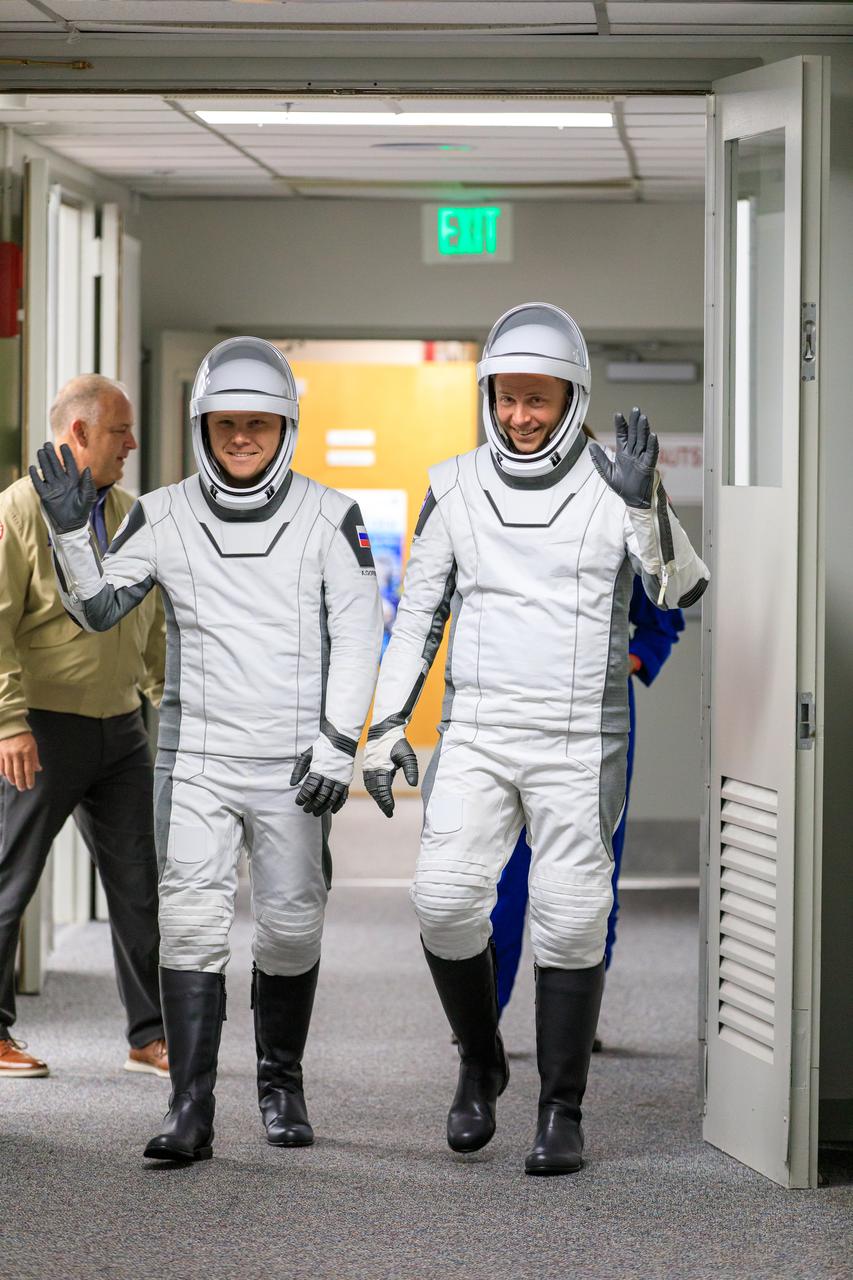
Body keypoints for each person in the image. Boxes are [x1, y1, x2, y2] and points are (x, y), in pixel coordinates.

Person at [362, 302, 709, 1176]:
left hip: (577, 736)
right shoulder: (452, 485)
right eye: (507, 398)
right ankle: (480, 1062)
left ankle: (561, 1109)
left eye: (539, 400)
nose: (520, 416)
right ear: (487, 395)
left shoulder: (617, 481)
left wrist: (642, 509)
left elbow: (682, 591)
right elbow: (416, 622)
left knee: (571, 919)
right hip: (476, 730)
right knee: (443, 901)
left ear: (571, 396)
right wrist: (385, 726)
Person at [32, 337, 383, 1162]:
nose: (241, 439)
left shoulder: (332, 516)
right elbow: (97, 610)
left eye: (257, 425)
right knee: (189, 926)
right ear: (204, 426)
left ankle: (279, 1082)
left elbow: (359, 632)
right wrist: (70, 531)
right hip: (198, 759)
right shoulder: (163, 513)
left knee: (292, 928)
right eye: (227, 424)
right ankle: (189, 1108)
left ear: (285, 427)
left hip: (297, 763)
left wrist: (337, 746)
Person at [0, 374, 167, 1080]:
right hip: (41, 728)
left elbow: (148, 623)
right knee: (10, 881)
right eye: (119, 430)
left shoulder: (129, 514)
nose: (131, 443)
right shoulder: (18, 511)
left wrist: (165, 702)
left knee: (139, 884)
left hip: (121, 728)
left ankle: (151, 1035)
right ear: (79, 433)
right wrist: (8, 721)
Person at [491, 573, 685, 1021]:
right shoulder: (505, 517)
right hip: (512, 715)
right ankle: (483, 1021)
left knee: (592, 881)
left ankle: (575, 1022)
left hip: (598, 722)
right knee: (501, 882)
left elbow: (663, 621)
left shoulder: (619, 515)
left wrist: (630, 661)